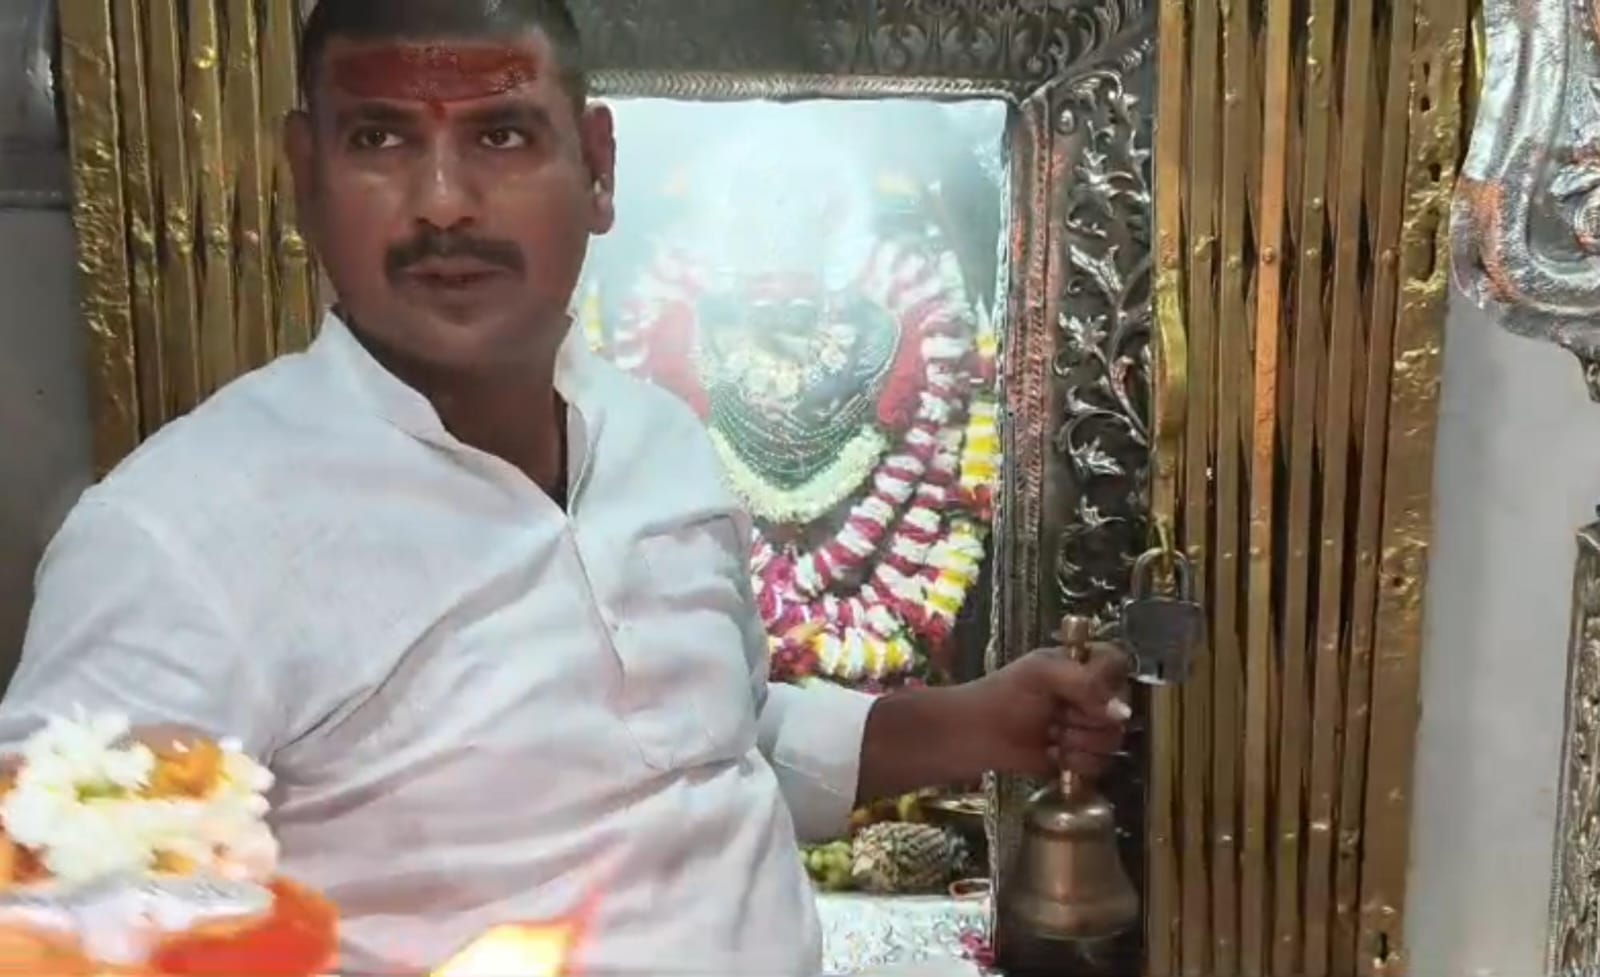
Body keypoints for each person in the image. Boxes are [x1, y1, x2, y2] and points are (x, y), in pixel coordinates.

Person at [0, 0, 1132, 973]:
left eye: (500, 134)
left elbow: (713, 741)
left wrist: (970, 724)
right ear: (306, 174)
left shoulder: (658, 439)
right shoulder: (176, 537)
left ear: (598, 168)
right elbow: (65, 926)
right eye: (381, 137)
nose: (444, 202)